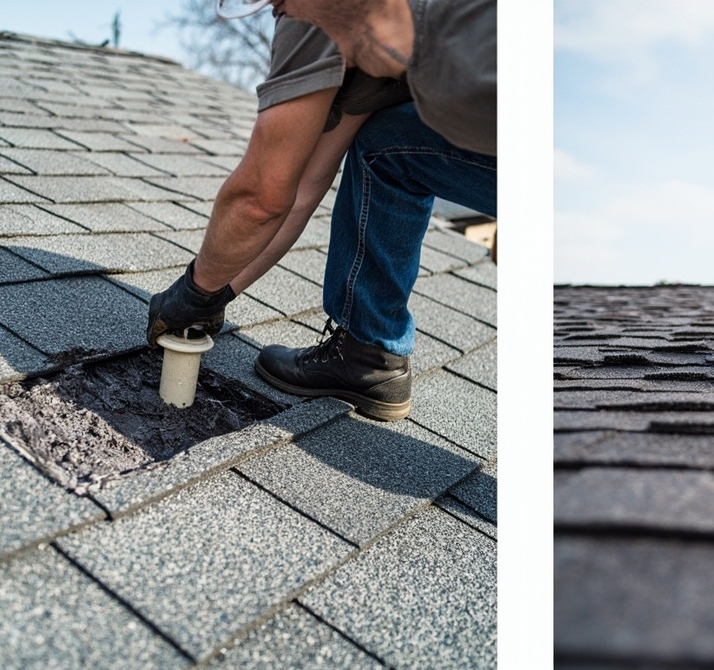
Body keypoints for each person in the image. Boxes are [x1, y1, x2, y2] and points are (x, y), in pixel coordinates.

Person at [147, 0, 496, 421]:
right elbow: (302, 185)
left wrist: (194, 290)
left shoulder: (313, 12)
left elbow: (261, 197)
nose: (279, 13)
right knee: (386, 144)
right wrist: (214, 292)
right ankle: (370, 353)